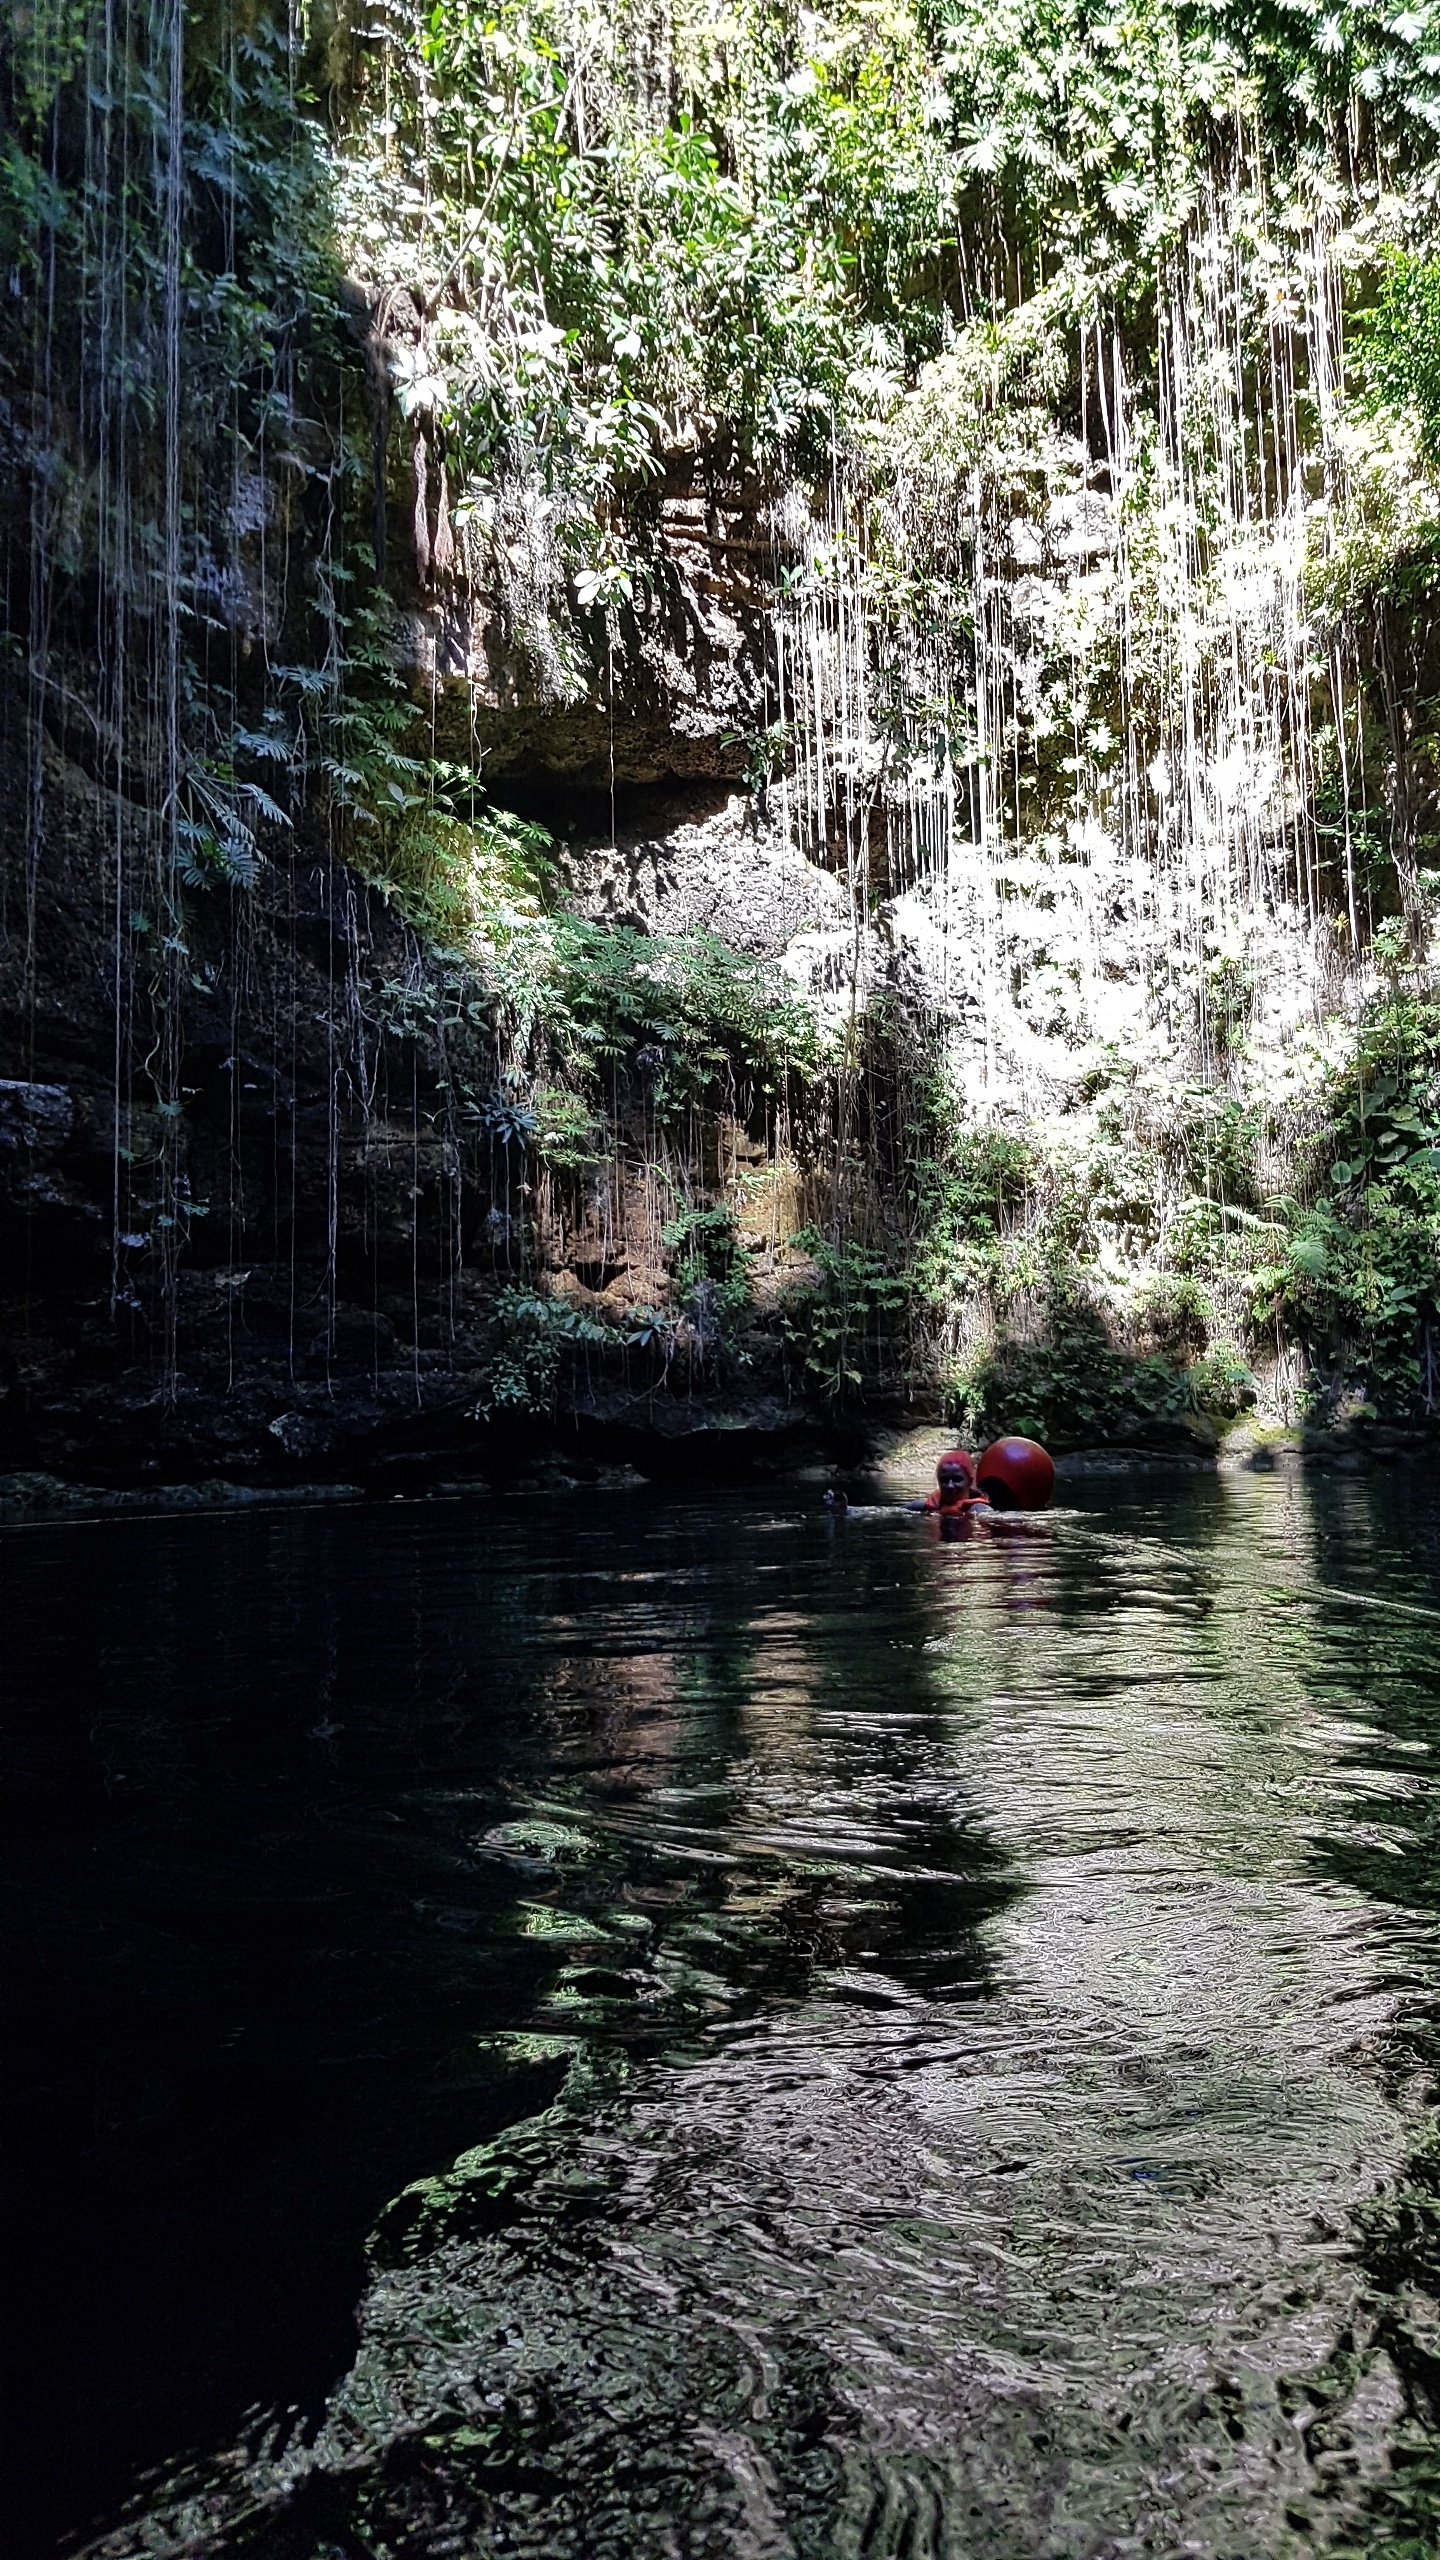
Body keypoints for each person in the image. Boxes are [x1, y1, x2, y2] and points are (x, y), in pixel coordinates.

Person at [911, 1449, 991, 1520]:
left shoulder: (979, 1510)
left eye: (957, 1479)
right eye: (944, 1480)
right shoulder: (925, 1506)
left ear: (970, 1481)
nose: (950, 1486)